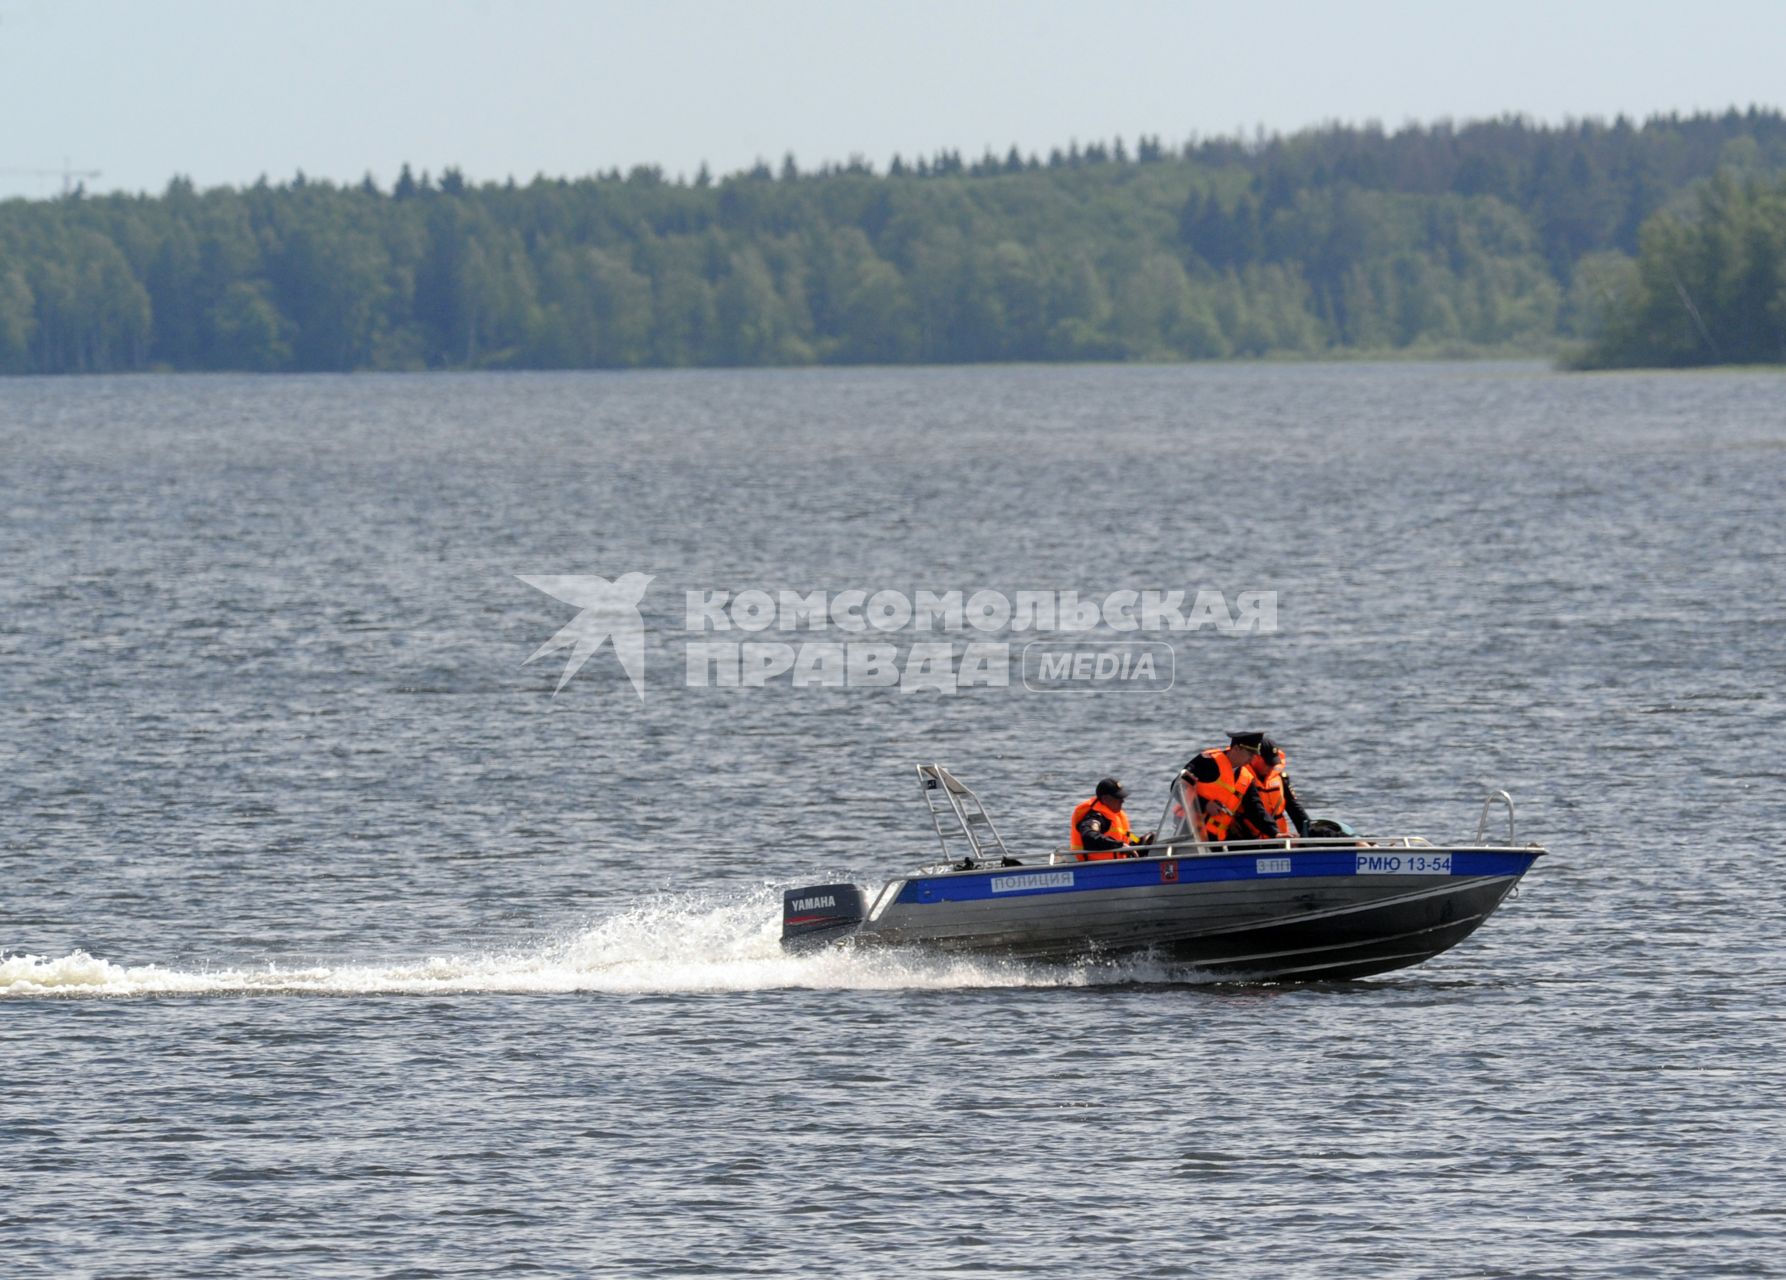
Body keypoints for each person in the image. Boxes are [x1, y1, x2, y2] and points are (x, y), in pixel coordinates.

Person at [1181, 732, 1276, 844]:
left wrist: (1275, 833)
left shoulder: (1247, 778)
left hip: (1217, 841)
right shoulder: (1207, 761)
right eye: (1250, 754)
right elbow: (1179, 787)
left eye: (1254, 755)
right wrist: (1205, 804)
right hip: (1191, 836)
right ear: (1236, 748)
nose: (1252, 759)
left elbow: (1255, 810)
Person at [1069, 778, 1154, 861]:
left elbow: (1127, 835)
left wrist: (1140, 841)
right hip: (1096, 868)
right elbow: (1089, 836)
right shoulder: (1095, 818)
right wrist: (1118, 845)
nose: (1122, 801)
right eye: (1118, 798)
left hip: (1117, 866)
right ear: (1105, 799)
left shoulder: (1117, 817)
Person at [1250, 735, 1310, 839]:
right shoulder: (1244, 778)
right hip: (1252, 838)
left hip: (1279, 838)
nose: (1271, 768)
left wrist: (1309, 831)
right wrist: (1275, 833)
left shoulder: (1280, 778)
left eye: (1273, 764)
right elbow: (1254, 809)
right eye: (1268, 764)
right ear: (1256, 757)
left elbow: (1294, 808)